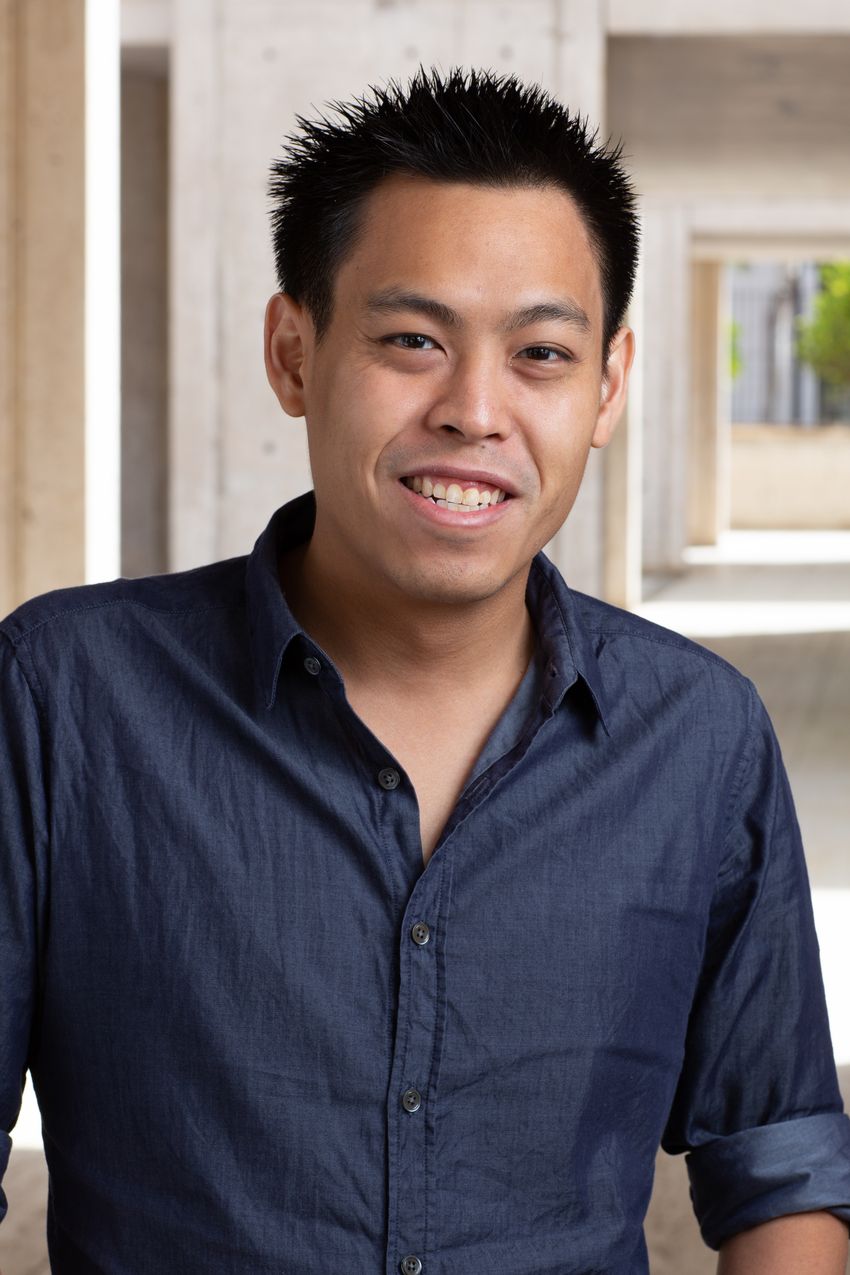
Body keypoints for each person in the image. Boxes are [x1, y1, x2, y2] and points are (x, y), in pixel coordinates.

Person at [1, 66, 849, 1275]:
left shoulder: (700, 737)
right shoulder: (64, 698)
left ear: (607, 387)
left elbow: (780, 1167)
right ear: (293, 352)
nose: (473, 411)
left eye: (540, 353)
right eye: (412, 340)